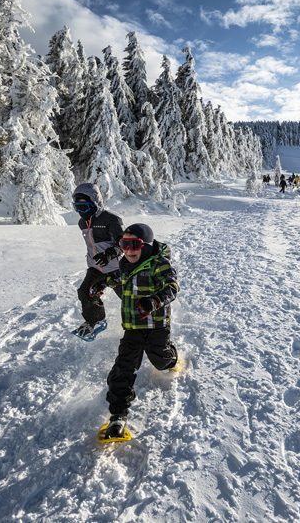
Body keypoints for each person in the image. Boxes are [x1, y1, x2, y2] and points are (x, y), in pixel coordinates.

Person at [92, 223, 180, 439]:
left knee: (160, 361)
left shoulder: (159, 264)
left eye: (134, 244)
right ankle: (118, 416)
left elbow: (172, 287)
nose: (129, 250)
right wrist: (104, 283)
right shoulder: (125, 264)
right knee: (123, 367)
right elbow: (119, 277)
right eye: (124, 244)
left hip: (157, 326)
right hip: (132, 328)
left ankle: (171, 356)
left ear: (147, 245)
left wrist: (154, 301)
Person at [72, 183, 124, 339]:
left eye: (84, 207)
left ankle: (149, 324)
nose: (81, 212)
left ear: (95, 203)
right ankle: (97, 320)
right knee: (85, 292)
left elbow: (124, 244)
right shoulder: (82, 223)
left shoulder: (111, 220)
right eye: (77, 207)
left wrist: (109, 254)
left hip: (116, 268)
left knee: (130, 299)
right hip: (96, 268)